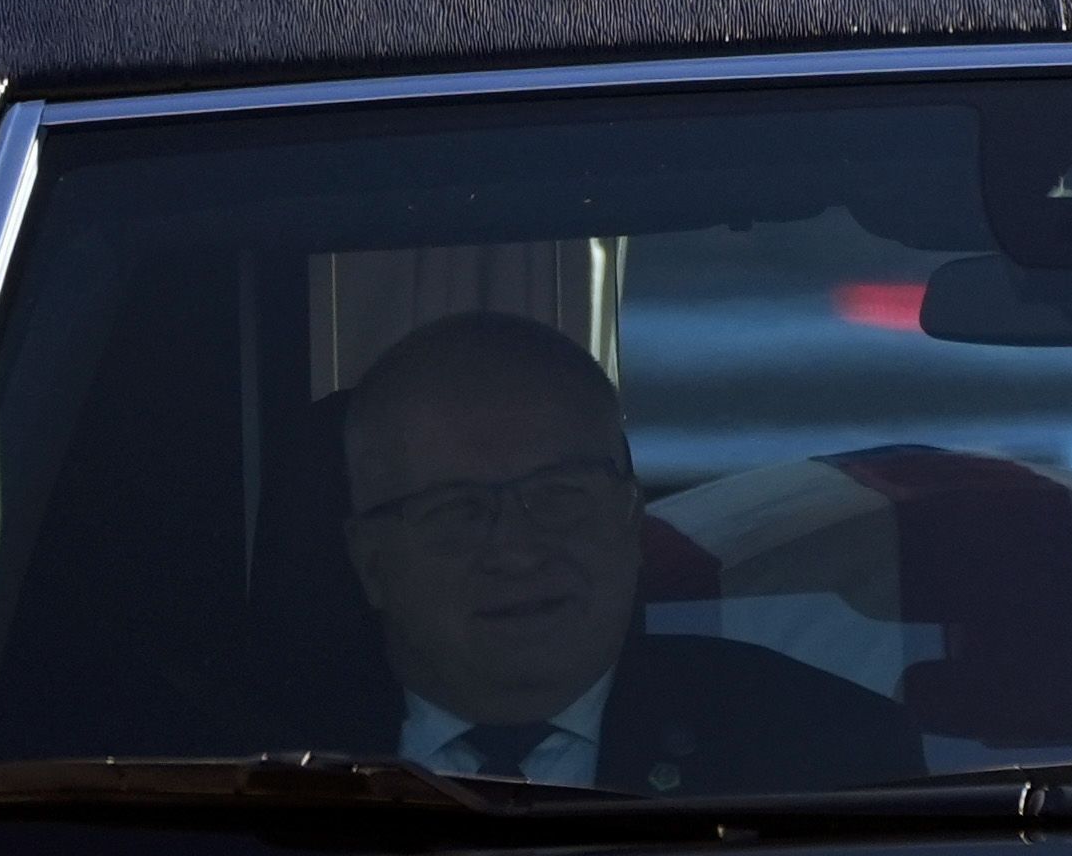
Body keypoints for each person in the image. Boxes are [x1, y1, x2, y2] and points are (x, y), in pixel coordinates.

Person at [311, 309, 922, 792]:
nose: (517, 552)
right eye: (455, 510)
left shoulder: (822, 757)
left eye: (559, 497)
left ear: (631, 521)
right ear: (371, 559)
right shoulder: (241, 779)